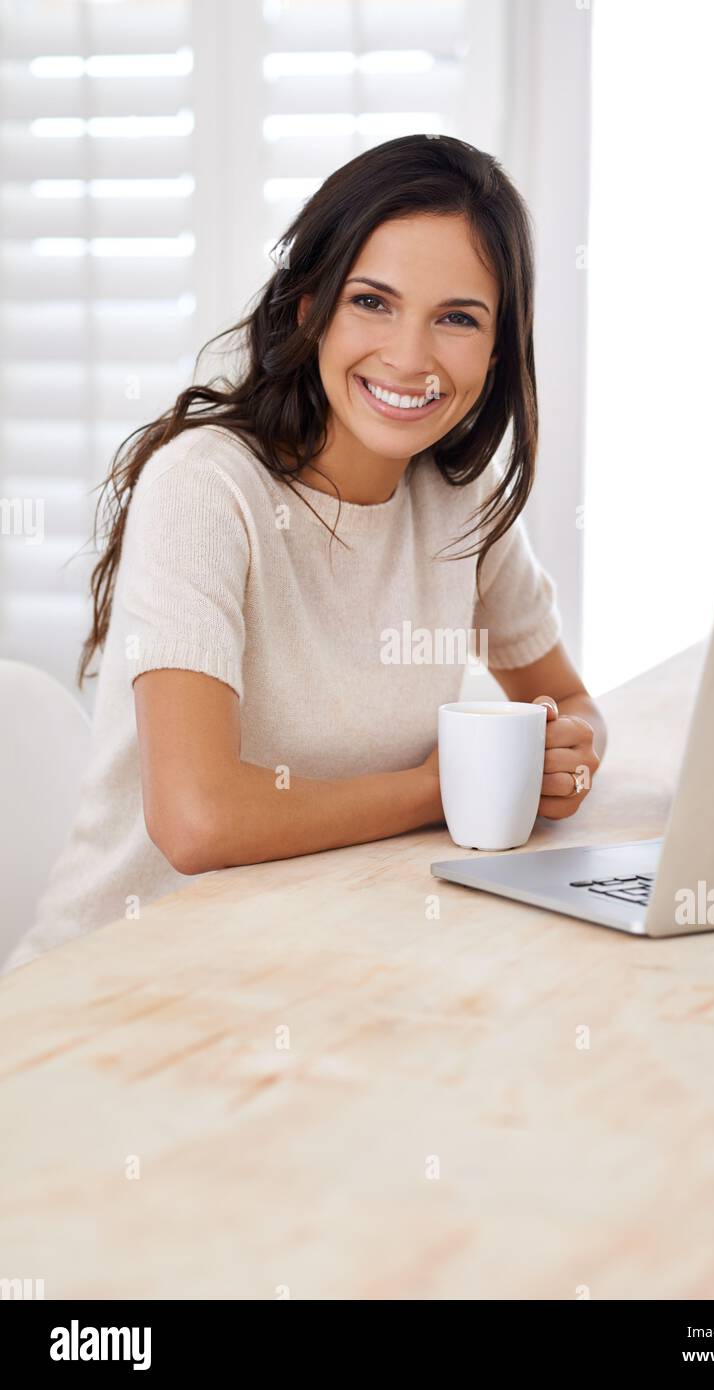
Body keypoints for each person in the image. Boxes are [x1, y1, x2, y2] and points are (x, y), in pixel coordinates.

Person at [3, 134, 606, 973]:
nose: (408, 356)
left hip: (320, 963)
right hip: (120, 982)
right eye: (372, 302)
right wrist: (444, 789)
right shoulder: (206, 489)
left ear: (498, 349)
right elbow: (197, 819)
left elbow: (568, 702)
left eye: (457, 318)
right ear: (307, 308)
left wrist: (566, 754)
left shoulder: (462, 498)